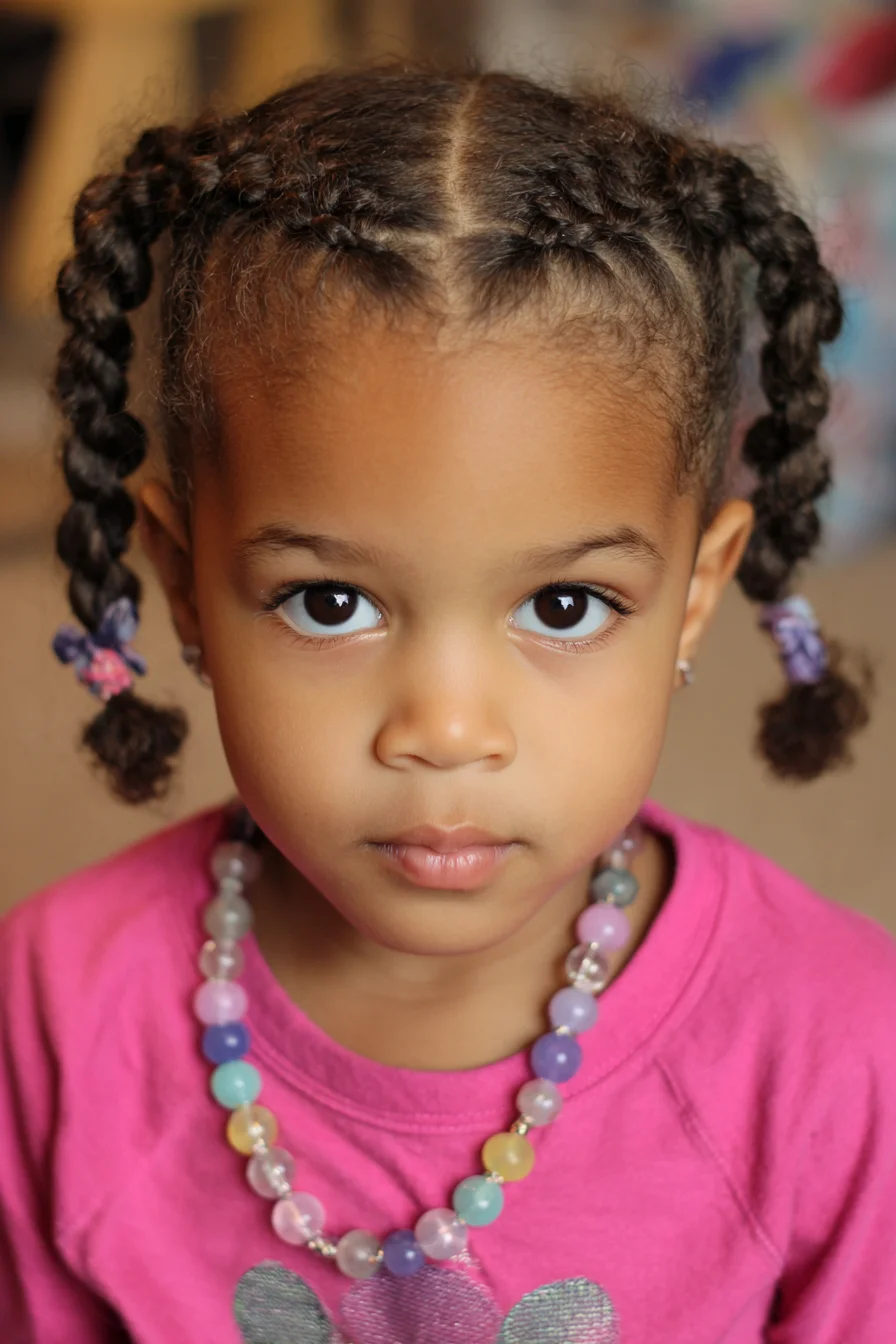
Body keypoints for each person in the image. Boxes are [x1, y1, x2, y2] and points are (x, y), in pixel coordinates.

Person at [1, 61, 893, 1344]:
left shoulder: (838, 1054)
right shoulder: (56, 1004)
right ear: (185, 587)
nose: (445, 730)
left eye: (565, 607)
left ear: (694, 596)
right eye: (326, 602)